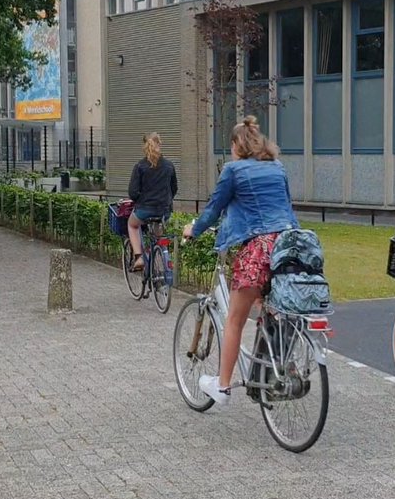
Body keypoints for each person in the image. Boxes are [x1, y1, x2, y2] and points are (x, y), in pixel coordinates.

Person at [183, 116, 298, 406]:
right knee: (271, 307)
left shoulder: (233, 170)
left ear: (237, 145)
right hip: (289, 246)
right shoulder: (278, 168)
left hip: (258, 249)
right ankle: (279, 367)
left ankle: (222, 387)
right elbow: (286, 208)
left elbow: (212, 210)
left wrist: (193, 229)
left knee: (234, 320)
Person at [127, 132, 178, 270]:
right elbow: (174, 188)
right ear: (159, 144)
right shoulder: (169, 166)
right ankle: (158, 259)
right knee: (157, 234)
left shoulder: (140, 166)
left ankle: (139, 257)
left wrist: (140, 200)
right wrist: (165, 201)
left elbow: (132, 192)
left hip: (144, 209)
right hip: (164, 210)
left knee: (132, 225)